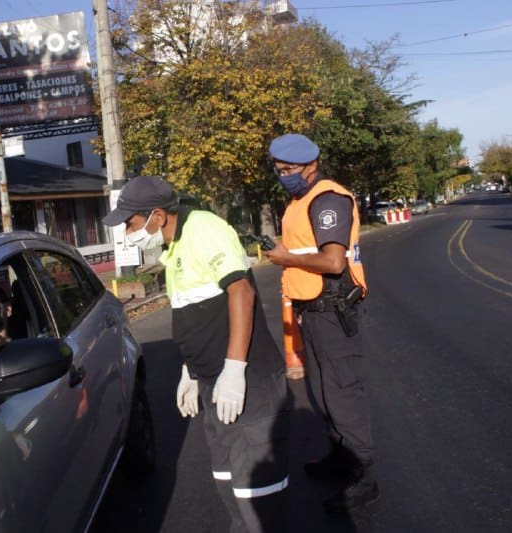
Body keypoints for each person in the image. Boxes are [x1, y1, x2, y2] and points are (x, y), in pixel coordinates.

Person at [103, 176, 289, 533]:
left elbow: (241, 291)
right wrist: (189, 371)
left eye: (131, 224)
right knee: (229, 484)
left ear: (157, 216)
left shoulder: (204, 230)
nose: (127, 234)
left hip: (247, 383)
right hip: (211, 383)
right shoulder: (174, 249)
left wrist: (234, 369)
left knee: (258, 497)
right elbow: (195, 318)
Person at [263, 133, 378, 513]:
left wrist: (285, 259)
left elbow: (333, 262)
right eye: (279, 170)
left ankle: (363, 477)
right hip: (313, 310)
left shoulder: (328, 199)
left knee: (343, 395)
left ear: (311, 165)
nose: (284, 176)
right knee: (326, 395)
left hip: (333, 311)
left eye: (289, 169)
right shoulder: (301, 200)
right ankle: (339, 459)